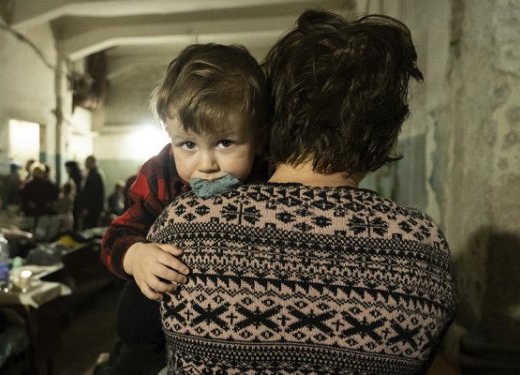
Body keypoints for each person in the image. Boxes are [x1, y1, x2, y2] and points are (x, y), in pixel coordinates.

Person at [148, 10, 457, 374]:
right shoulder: (422, 248)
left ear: (272, 115)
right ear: (385, 132)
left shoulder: (184, 224)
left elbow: (137, 329)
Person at [98, 43, 270, 374]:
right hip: (161, 302)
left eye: (225, 143)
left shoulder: (269, 173)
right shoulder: (159, 171)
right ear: (169, 135)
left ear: (259, 139)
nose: (206, 164)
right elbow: (117, 233)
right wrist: (137, 256)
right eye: (188, 144)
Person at [19, 162, 60, 240]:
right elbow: (55, 194)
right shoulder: (48, 185)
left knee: (29, 238)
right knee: (43, 238)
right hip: (43, 216)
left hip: (29, 215)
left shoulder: (27, 185)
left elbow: (21, 198)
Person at [81, 155, 106, 229]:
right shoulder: (97, 173)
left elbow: (91, 193)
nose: (85, 164)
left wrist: (86, 207)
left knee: (90, 227)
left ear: (91, 162)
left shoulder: (94, 175)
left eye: (86, 162)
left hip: (92, 209)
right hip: (96, 207)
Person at [64, 160, 84, 229]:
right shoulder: (79, 176)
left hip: (76, 201)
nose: (66, 170)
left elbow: (75, 191)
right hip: (79, 201)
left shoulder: (74, 178)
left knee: (75, 220)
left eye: (67, 168)